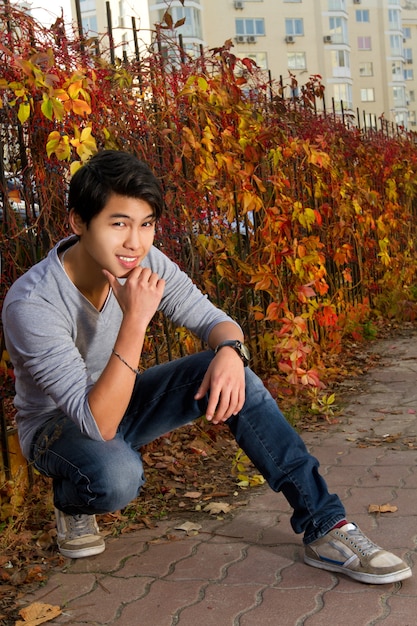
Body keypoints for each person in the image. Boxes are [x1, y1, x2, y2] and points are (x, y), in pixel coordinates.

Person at [2, 150, 412, 586]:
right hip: (57, 426)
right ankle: (73, 500)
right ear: (78, 223)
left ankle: (326, 526)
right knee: (116, 476)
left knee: (235, 372)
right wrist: (136, 320)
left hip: (119, 401)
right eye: (118, 223)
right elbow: (97, 421)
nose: (134, 243)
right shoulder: (33, 302)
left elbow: (214, 320)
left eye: (146, 225)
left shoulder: (144, 261)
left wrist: (232, 352)